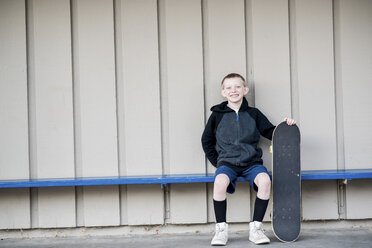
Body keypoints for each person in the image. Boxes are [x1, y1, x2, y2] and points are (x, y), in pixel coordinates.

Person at [201, 73, 296, 246]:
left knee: (265, 181)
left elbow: (270, 132)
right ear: (223, 92)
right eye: (229, 88)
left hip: (252, 164)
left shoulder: (254, 113)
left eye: (238, 87)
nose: (233, 90)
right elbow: (206, 140)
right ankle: (221, 230)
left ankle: (256, 229)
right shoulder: (217, 115)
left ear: (245, 90)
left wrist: (285, 127)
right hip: (227, 164)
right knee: (219, 182)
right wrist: (218, 162)